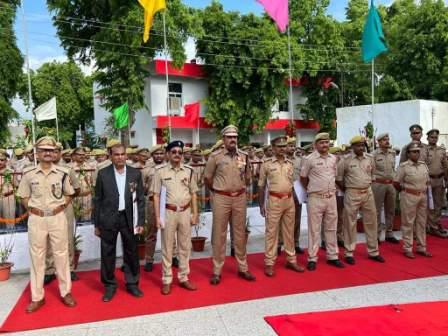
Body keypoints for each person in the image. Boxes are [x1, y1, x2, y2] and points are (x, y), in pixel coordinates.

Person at [17, 136, 77, 313]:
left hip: (57, 217)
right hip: (37, 219)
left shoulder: (62, 173)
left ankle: (66, 292)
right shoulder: (29, 174)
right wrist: (33, 209)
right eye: (43, 150)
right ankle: (37, 297)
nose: (47, 153)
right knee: (37, 257)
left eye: (50, 150)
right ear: (37, 152)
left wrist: (62, 206)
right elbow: (23, 196)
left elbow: (69, 193)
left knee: (61, 254)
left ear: (55, 153)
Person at [93, 143, 145, 302]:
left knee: (131, 251)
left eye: (123, 154)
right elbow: (98, 200)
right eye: (116, 154)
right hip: (108, 218)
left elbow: (140, 199)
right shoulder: (103, 174)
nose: (120, 157)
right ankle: (109, 285)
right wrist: (96, 224)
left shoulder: (135, 174)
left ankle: (132, 283)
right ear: (111, 156)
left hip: (129, 218)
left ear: (126, 155)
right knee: (107, 252)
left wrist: (140, 221)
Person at [204, 125, 256, 285]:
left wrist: (247, 174)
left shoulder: (244, 156)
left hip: (239, 198)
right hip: (222, 198)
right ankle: (217, 271)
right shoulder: (215, 157)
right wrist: (217, 191)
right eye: (229, 137)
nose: (233, 139)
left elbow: (248, 179)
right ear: (223, 139)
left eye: (235, 137)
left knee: (240, 234)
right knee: (219, 235)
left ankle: (243, 267)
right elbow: (207, 178)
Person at [152, 141, 199, 295]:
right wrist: (158, 217)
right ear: (168, 154)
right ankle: (167, 279)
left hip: (185, 212)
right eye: (174, 152)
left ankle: (184, 277)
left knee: (185, 246)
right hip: (168, 212)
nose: (177, 154)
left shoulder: (189, 171)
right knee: (167, 247)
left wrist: (195, 213)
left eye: (180, 152)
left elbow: (193, 193)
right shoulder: (160, 172)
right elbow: (156, 195)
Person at [258, 136, 305, 277]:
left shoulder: (290, 163)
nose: (282, 149)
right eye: (279, 146)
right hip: (274, 200)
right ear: (273, 148)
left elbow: (293, 183)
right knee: (271, 233)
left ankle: (291, 259)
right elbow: (261, 185)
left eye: (284, 146)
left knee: (289, 232)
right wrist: (261, 204)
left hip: (289, 200)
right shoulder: (266, 164)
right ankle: (269, 262)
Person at [336, 135, 385, 265]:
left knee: (371, 222)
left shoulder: (369, 158)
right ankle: (349, 252)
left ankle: (373, 251)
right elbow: (339, 179)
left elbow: (372, 174)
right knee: (350, 224)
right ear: (352, 147)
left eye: (363, 145)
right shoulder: (345, 160)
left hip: (367, 192)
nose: (361, 148)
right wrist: (348, 190)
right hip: (352, 192)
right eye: (358, 145)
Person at [300, 133, 344, 271]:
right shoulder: (309, 159)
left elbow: (334, 176)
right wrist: (312, 189)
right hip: (315, 198)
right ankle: (312, 258)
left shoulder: (333, 158)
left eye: (326, 142)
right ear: (316, 144)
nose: (325, 145)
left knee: (331, 228)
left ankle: (333, 256)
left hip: (331, 197)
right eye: (322, 142)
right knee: (314, 229)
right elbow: (303, 178)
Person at [44, 143, 81, 284]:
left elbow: (77, 188)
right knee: (48, 238)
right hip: (47, 208)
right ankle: (49, 270)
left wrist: (67, 199)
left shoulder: (67, 169)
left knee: (67, 238)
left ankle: (70, 269)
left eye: (55, 151)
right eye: (50, 151)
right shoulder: (41, 168)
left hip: (65, 207)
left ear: (59, 153)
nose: (52, 154)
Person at [394, 142, 432, 258]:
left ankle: (421, 247)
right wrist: (404, 192)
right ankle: (407, 248)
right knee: (408, 222)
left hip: (422, 196)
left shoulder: (423, 165)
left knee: (421, 223)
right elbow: (396, 182)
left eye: (418, 152)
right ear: (408, 153)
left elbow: (427, 181)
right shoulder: (404, 166)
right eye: (414, 152)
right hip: (409, 196)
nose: (416, 154)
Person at [141, 145, 165, 272]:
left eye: (161, 153)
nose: (159, 156)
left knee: (170, 232)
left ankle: (173, 256)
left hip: (167, 203)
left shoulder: (169, 168)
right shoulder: (146, 170)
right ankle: (149, 259)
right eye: (156, 154)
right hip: (151, 203)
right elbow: (142, 188)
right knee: (151, 232)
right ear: (152, 155)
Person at [372, 133, 399, 243]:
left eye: (388, 139)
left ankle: (389, 233)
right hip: (378, 184)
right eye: (384, 140)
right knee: (377, 210)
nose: (387, 141)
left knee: (391, 210)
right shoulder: (373, 155)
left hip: (391, 184)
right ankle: (377, 234)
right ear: (378, 142)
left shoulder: (392, 153)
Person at [425, 129, 448, 238]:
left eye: (436, 137)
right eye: (432, 137)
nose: (434, 139)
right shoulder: (424, 150)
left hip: (439, 179)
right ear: (428, 138)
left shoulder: (441, 150)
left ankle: (435, 225)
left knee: (438, 204)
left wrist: (446, 179)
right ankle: (429, 226)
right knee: (428, 204)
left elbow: (445, 165)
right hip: (428, 180)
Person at [286, 136, 304, 254]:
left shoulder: (300, 160)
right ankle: (280, 243)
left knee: (297, 219)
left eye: (293, 146)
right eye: (289, 146)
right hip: (284, 192)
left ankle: (295, 242)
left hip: (297, 192)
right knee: (284, 219)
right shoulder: (281, 159)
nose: (291, 148)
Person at [0, 151, 16, 229]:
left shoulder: (11, 172)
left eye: (2, 160)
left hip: (8, 198)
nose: (0, 162)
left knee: (9, 222)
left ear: (6, 161)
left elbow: (17, 186)